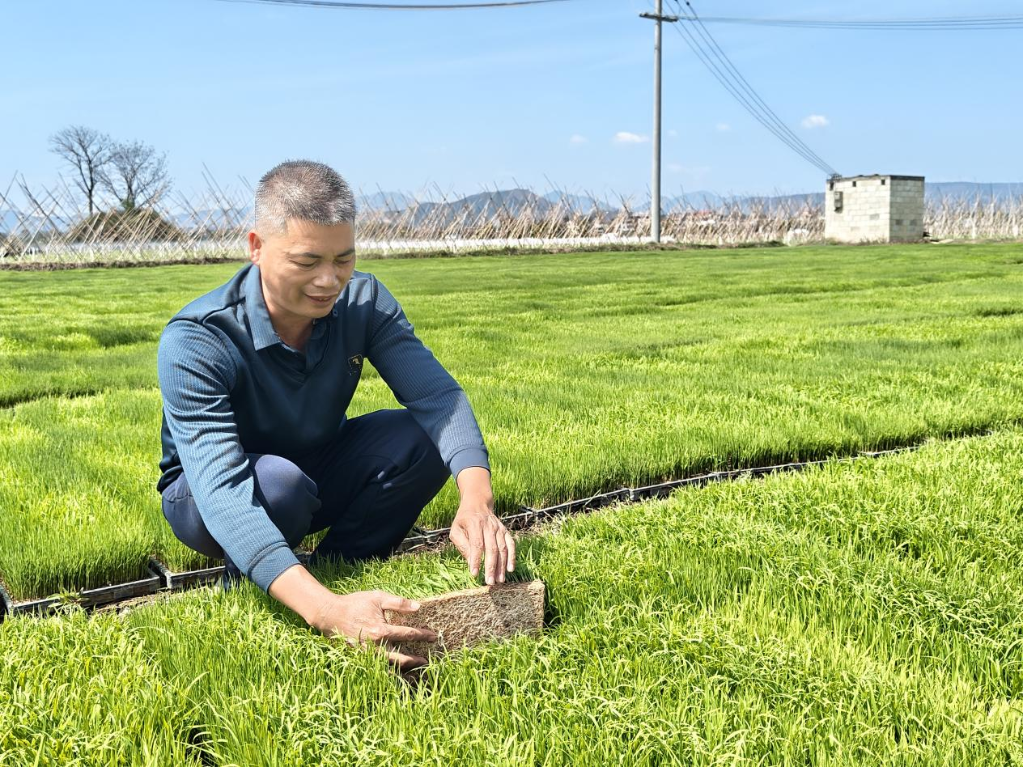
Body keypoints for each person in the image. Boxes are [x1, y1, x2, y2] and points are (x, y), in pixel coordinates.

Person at [156, 159, 515, 668]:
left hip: (314, 463)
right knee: (278, 486)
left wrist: (476, 500)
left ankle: (339, 568)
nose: (329, 281)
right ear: (256, 246)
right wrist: (323, 612)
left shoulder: (363, 302)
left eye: (343, 259)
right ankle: (262, 583)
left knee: (420, 438)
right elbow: (222, 490)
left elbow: (439, 399)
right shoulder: (199, 339)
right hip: (207, 492)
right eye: (306, 262)